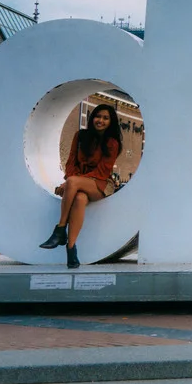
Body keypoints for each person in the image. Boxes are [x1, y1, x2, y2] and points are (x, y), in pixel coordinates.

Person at [39, 104, 123, 269]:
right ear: (92, 118)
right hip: (80, 183)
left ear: (110, 122)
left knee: (72, 182)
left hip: (100, 184)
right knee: (79, 198)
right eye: (98, 116)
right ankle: (71, 250)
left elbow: (102, 172)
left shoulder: (112, 143)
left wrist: (71, 182)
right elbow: (71, 163)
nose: (101, 120)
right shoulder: (80, 136)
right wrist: (73, 180)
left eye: (105, 118)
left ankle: (60, 229)